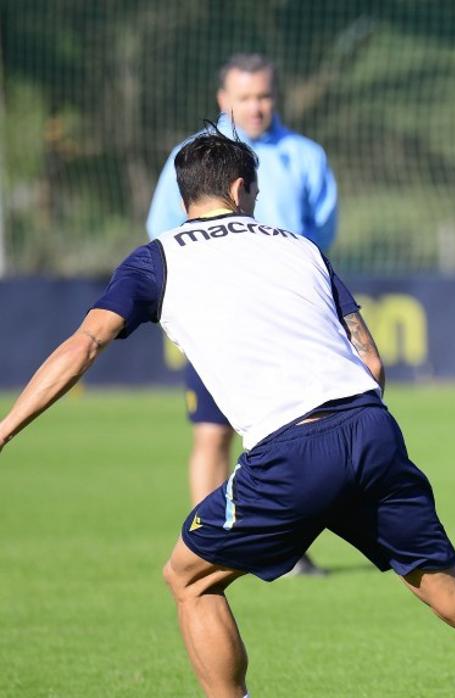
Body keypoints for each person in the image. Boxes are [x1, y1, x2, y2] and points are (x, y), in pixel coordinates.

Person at [0, 128, 455, 698]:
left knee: (190, 580)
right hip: (370, 427)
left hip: (291, 450)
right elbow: (371, 360)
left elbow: (85, 345)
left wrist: (6, 428)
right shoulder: (300, 246)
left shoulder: (157, 260)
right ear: (242, 187)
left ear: (183, 198)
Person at [147, 53, 339, 574]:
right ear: (222, 99)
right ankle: (211, 548)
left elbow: (320, 237)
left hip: (290, 324)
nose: (255, 107)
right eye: (244, 96)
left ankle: (287, 547)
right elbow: (164, 234)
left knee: (297, 431)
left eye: (263, 96)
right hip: (220, 322)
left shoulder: (305, 155)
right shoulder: (190, 160)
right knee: (212, 433)